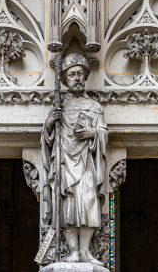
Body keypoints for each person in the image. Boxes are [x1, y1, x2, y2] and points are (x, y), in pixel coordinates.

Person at [42, 53, 108, 264]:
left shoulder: (95, 107)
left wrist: (93, 133)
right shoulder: (59, 108)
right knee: (68, 205)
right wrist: (50, 123)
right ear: (64, 79)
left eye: (80, 73)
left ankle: (85, 251)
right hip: (64, 164)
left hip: (86, 162)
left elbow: (103, 132)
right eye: (72, 74)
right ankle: (72, 252)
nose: (77, 77)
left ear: (86, 76)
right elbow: (47, 140)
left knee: (88, 202)